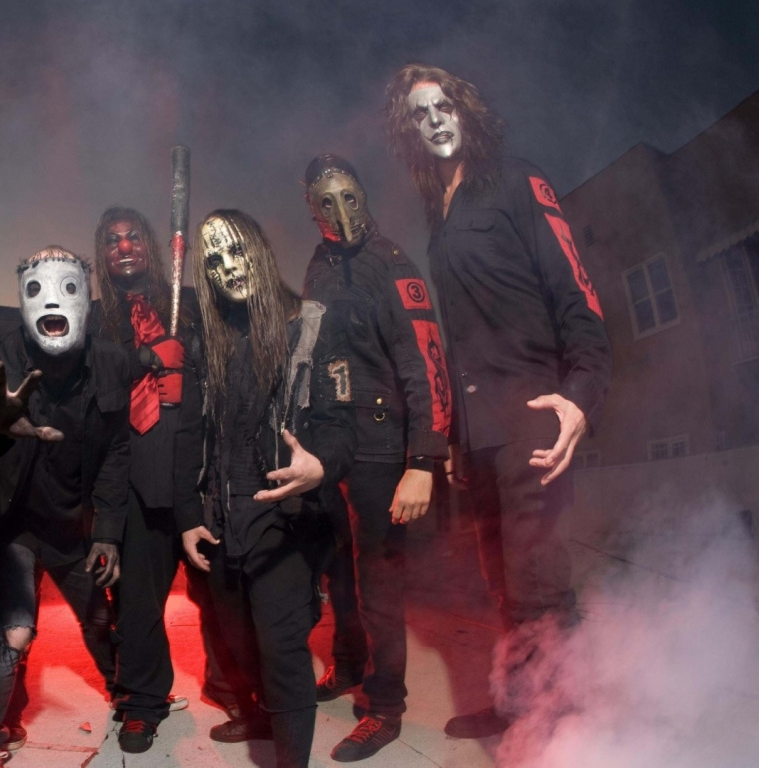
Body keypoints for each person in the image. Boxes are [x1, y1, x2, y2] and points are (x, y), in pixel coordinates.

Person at [384, 63, 611, 738]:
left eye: (445, 105)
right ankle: (519, 708)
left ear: (467, 111)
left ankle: (564, 736)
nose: (435, 120)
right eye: (420, 113)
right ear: (409, 132)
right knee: (501, 583)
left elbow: (576, 292)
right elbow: (460, 338)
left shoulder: (516, 179)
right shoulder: (440, 212)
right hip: (480, 435)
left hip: (531, 414)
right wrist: (457, 437)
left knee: (540, 585)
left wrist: (581, 393)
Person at [0, 246, 130, 768]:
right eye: (36, 290)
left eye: (68, 288)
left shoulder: (110, 362)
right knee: (14, 627)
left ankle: (128, 696)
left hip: (71, 525)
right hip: (12, 527)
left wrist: (108, 531)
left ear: (87, 299)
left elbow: (116, 451)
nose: (52, 301)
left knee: (98, 616)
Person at [181, 210, 355, 768]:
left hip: (286, 514)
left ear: (258, 249)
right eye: (214, 260)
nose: (228, 267)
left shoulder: (313, 325)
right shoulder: (208, 340)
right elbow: (190, 433)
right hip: (222, 518)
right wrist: (189, 514)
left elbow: (341, 423)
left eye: (236, 251)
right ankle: (261, 716)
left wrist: (321, 465)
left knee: (282, 649)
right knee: (239, 640)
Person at [300, 154, 450, 761]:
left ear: (364, 195)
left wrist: (424, 460)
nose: (340, 210)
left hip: (383, 449)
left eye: (349, 196)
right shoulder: (318, 266)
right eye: (326, 201)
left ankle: (385, 707)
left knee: (379, 583)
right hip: (332, 445)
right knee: (338, 570)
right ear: (311, 209)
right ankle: (348, 665)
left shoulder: (390, 261)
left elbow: (424, 361)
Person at [89, 206, 202, 751]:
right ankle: (143, 701)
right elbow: (96, 385)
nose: (124, 247)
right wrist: (143, 357)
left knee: (222, 591)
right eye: (112, 241)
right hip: (133, 467)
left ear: (151, 245)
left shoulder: (189, 304)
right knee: (137, 598)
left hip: (195, 463)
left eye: (133, 236)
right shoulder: (95, 320)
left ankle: (240, 685)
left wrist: (188, 357)